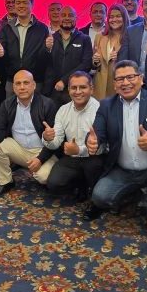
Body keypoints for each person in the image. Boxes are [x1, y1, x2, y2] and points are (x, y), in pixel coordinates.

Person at [85, 60, 147, 238]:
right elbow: (96, 133)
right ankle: (134, 195)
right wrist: (92, 141)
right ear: (115, 84)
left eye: (130, 77)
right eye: (120, 79)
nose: (125, 82)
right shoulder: (106, 105)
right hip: (122, 169)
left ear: (141, 79)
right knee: (100, 197)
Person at [0, 69, 58, 196]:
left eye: (26, 83)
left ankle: (39, 168)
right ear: (13, 87)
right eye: (18, 84)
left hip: (42, 150)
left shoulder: (48, 104)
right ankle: (6, 182)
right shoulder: (7, 104)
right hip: (19, 149)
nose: (22, 87)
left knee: (43, 177)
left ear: (34, 85)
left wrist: (40, 159)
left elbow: (55, 140)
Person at [42, 71, 103, 201]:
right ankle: (81, 184)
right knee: (53, 184)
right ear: (68, 90)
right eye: (74, 88)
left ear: (91, 89)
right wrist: (48, 138)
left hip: (95, 157)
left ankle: (92, 188)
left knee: (94, 169)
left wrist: (79, 150)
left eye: (83, 87)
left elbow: (104, 147)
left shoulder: (100, 110)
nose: (78, 91)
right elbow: (56, 143)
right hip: (72, 157)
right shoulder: (63, 110)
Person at [0, 0, 50, 95]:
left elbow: (44, 56)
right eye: (18, 3)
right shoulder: (6, 28)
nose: (21, 6)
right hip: (12, 80)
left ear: (32, 5)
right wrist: (0, 53)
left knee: (35, 106)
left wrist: (48, 48)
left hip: (35, 80)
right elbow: (2, 54)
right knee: (11, 105)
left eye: (25, 3)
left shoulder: (42, 28)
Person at [42, 6, 92, 107]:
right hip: (53, 91)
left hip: (75, 91)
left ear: (76, 18)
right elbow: (44, 63)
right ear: (59, 18)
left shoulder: (84, 39)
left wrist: (64, 81)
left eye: (70, 15)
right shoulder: (50, 38)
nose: (67, 18)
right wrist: (46, 49)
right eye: (63, 15)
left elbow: (86, 64)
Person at [92, 4, 129, 100]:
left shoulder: (129, 38)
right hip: (99, 87)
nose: (114, 19)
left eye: (118, 16)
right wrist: (95, 60)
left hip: (119, 86)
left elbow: (133, 62)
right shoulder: (99, 37)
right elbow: (94, 64)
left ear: (124, 18)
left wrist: (119, 58)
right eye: (111, 17)